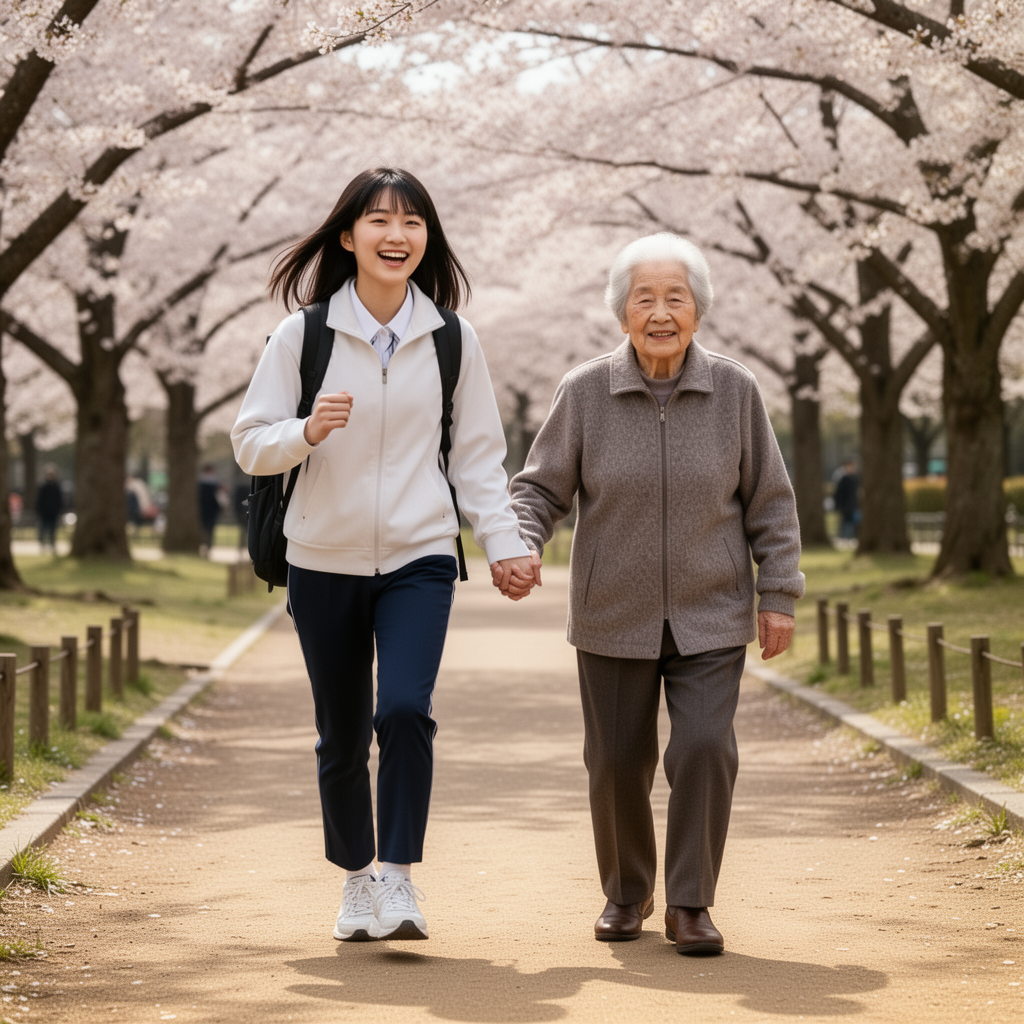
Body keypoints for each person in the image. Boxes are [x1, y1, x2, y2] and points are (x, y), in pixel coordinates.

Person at [231, 167, 536, 944]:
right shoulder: (301, 336)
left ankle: (399, 876)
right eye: (379, 221)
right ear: (347, 235)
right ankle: (356, 880)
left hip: (419, 555)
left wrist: (503, 546)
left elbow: (476, 459)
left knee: (403, 709)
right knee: (340, 731)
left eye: (412, 223)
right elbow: (248, 444)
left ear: (427, 240)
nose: (396, 235)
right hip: (320, 556)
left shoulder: (454, 340)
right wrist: (305, 430)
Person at [499, 233, 804, 955]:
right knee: (614, 762)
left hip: (712, 610)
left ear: (698, 311)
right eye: (646, 298)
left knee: (704, 749)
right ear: (621, 312)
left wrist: (779, 592)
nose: (661, 312)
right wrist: (522, 542)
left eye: (677, 297)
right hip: (613, 612)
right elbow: (540, 488)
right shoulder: (585, 392)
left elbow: (771, 501)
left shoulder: (735, 390)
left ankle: (691, 903)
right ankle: (627, 893)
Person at [35, 465, 63, 552]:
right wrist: (39, 510)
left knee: (53, 529)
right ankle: (42, 544)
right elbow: (39, 500)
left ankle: (52, 544)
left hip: (53, 512)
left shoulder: (56, 487)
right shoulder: (43, 486)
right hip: (44, 512)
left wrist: (59, 510)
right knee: (43, 528)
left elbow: (59, 500)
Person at [197, 465, 222, 554]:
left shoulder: (200, 483)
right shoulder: (214, 483)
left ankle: (205, 546)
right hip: (210, 510)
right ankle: (207, 546)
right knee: (208, 529)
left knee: (205, 529)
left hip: (205, 510)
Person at [833, 459, 860, 540]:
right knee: (845, 522)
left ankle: (852, 537)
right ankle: (845, 538)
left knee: (855, 522)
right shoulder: (843, 479)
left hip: (854, 505)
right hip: (845, 505)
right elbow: (839, 494)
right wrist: (838, 505)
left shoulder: (856, 479)